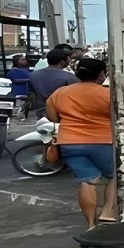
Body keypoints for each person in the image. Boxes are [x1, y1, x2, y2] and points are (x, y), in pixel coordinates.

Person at [46, 58, 117, 227]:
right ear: (101, 74)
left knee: (87, 181)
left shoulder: (61, 93)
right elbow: (118, 117)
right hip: (103, 141)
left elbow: (53, 117)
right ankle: (107, 212)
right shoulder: (108, 93)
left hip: (70, 143)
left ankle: (91, 224)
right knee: (114, 176)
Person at [7, 54, 32, 118]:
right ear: (16, 62)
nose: (25, 61)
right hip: (19, 93)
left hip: (28, 93)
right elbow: (16, 80)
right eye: (22, 60)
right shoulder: (13, 71)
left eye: (25, 59)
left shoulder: (26, 70)